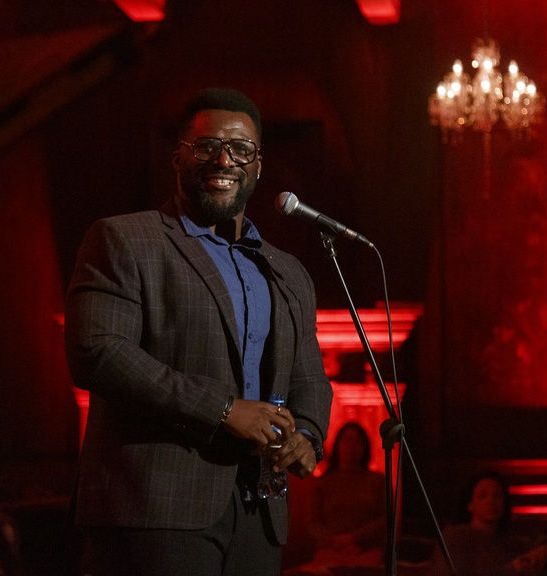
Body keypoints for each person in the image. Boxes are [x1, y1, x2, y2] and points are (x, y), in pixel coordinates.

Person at [65, 87, 333, 576]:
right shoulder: (125, 238)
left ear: (258, 166)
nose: (224, 160)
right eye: (207, 146)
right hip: (154, 509)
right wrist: (224, 410)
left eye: (241, 149)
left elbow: (310, 378)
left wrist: (308, 436)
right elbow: (96, 352)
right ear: (178, 159)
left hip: (259, 512)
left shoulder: (288, 271)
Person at [291, 422, 386, 574]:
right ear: (338, 444)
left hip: (366, 552)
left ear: (365, 447)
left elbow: (385, 519)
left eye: (358, 442)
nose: (352, 446)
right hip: (331, 552)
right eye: (347, 440)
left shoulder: (377, 481)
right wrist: (335, 542)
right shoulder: (323, 483)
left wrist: (353, 539)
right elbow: (312, 523)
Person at [442, 470, 533, 576]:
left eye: (497, 496)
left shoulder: (512, 544)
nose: (491, 501)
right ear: (470, 504)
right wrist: (511, 569)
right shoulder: (455, 538)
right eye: (482, 496)